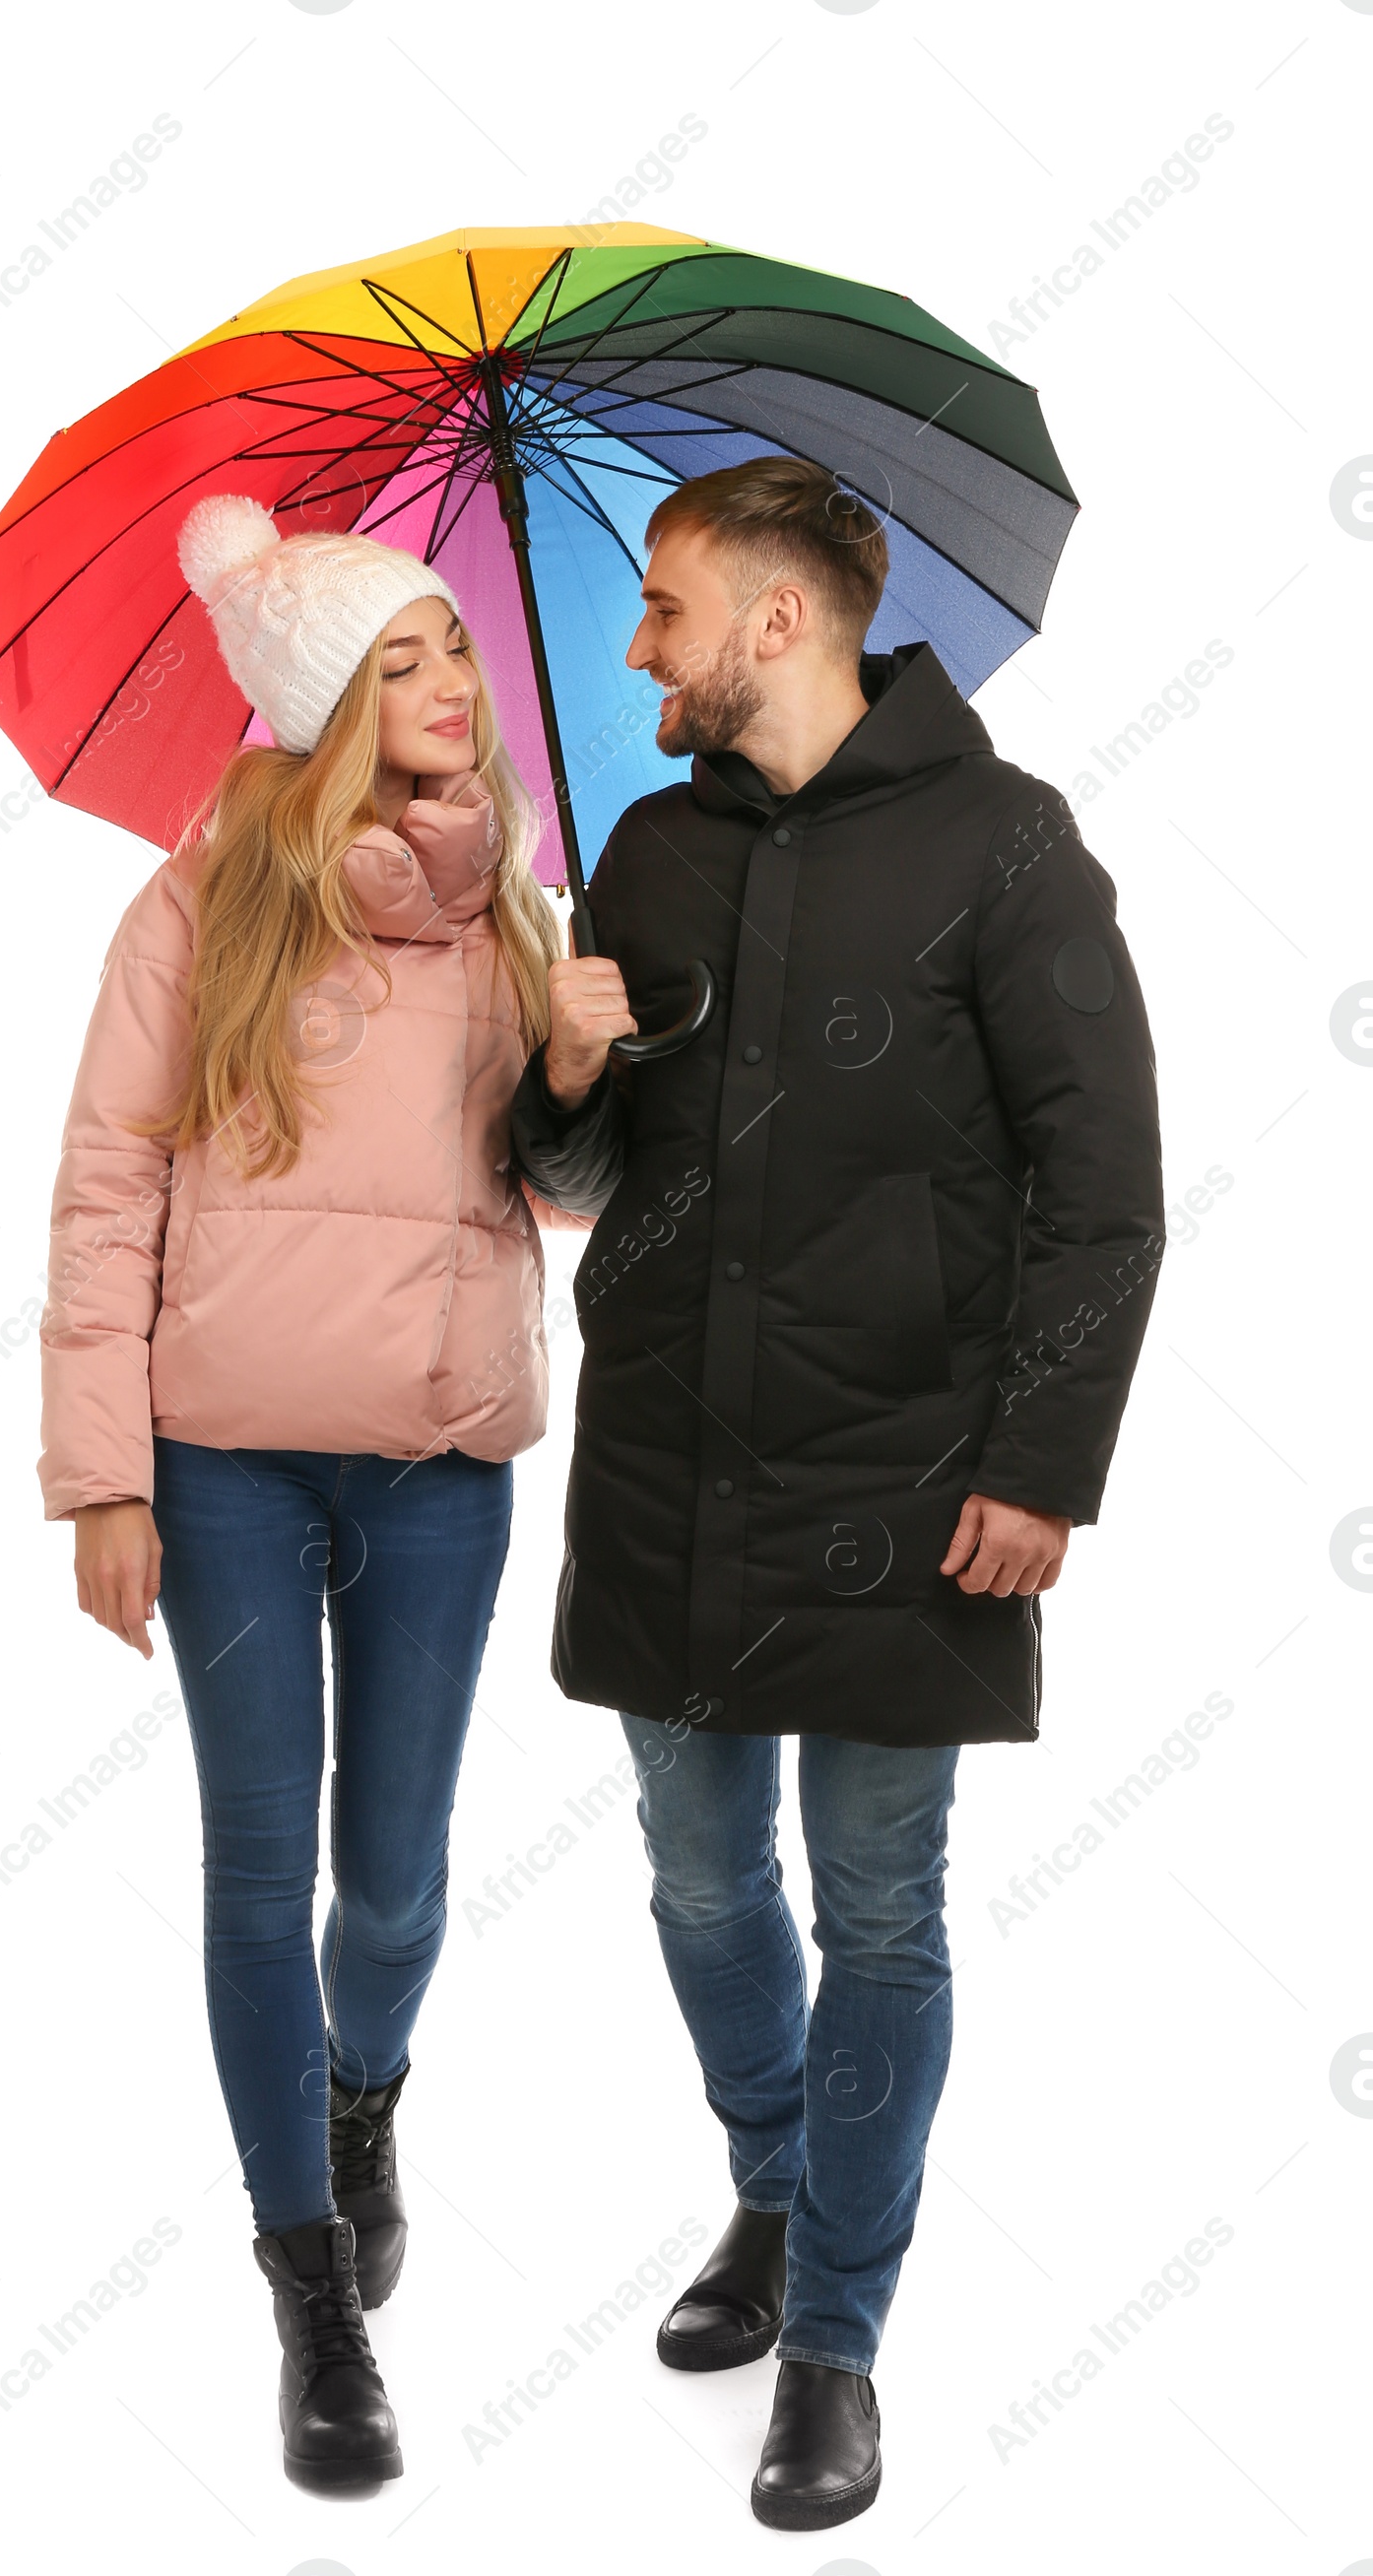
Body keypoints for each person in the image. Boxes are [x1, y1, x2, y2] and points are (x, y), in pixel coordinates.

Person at [509, 457, 1163, 2534]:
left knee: (876, 1909)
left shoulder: (1004, 846)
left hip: (912, 1491)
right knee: (704, 1889)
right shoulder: (637, 853)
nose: (636, 648)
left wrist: (1040, 1466)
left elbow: (1103, 1194)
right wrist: (561, 1077)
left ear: (776, 622)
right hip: (667, 1475)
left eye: (663, 607)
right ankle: (778, 2190)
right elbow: (569, 1195)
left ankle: (836, 2340)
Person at [37, 495, 565, 2493]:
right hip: (224, 1461)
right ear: (321, 704)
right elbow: (107, 1194)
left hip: (437, 1464)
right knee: (258, 1871)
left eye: (450, 649)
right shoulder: (201, 907)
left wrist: (594, 1067)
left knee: (401, 1873)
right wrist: (102, 1476)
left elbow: (577, 1196)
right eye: (399, 661)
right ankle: (310, 2293)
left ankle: (364, 2095)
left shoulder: (517, 910)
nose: (447, 685)